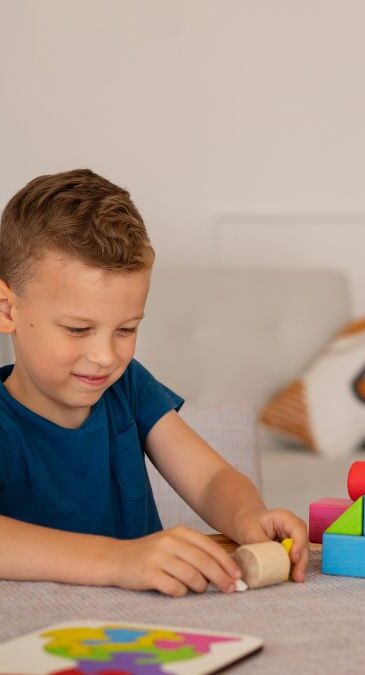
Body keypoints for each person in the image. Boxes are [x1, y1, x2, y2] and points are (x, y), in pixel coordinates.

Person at [0, 169, 308, 596]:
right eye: (77, 329)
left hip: (150, 621)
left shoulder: (127, 388)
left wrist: (248, 516)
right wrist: (118, 559)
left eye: (125, 330)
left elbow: (210, 478)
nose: (106, 357)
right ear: (7, 309)